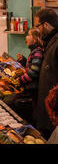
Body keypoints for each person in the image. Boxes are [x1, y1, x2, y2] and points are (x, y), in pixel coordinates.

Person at [34, 8, 58, 139]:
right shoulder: (50, 41)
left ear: (46, 25)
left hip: (53, 109)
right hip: (48, 107)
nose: (36, 29)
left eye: (37, 25)